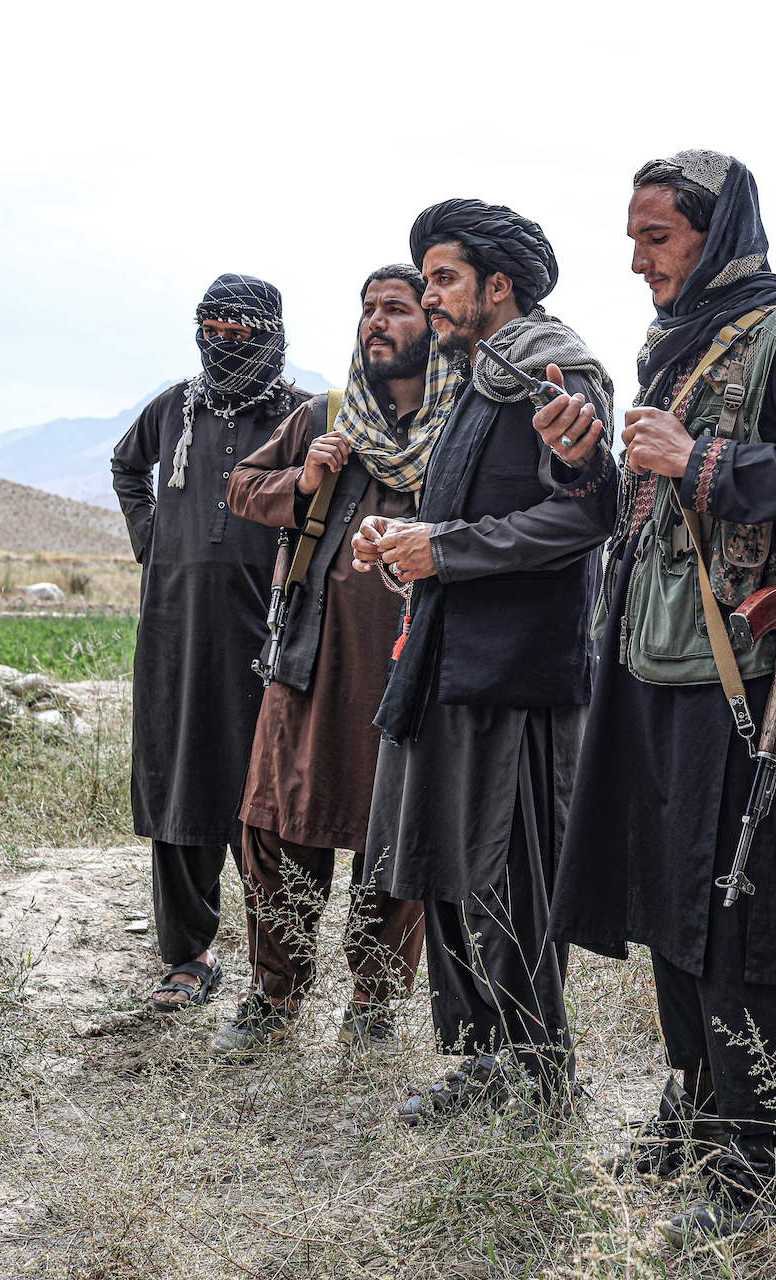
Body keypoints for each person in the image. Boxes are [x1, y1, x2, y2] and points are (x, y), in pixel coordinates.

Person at [544, 149, 776, 1249]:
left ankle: (759, 1156)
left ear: (715, 232)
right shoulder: (671, 345)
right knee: (662, 897)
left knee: (736, 909)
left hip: (733, 674)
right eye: (633, 239)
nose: (637, 261)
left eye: (658, 238)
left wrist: (707, 459)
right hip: (643, 658)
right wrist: (585, 462)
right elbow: (642, 504)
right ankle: (693, 1105)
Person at [355, 199, 614, 1128]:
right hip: (448, 654)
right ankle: (478, 1059)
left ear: (498, 285)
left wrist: (447, 549)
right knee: (444, 863)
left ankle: (540, 1073)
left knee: (509, 872)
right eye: (425, 282)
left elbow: (587, 515)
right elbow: (460, 511)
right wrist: (402, 540)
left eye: (444, 281)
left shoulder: (558, 367)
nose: (428, 299)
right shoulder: (474, 375)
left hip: (519, 666)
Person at [208, 264, 459, 1058]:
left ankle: (374, 1010)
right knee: (278, 823)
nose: (376, 322)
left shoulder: (461, 425)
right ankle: (273, 1000)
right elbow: (242, 488)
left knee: (395, 841)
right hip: (311, 662)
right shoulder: (328, 416)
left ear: (433, 323)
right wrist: (306, 475)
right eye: (367, 310)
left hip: (411, 671)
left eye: (396, 309)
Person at [111, 274, 310, 1015]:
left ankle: (274, 971)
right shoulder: (174, 408)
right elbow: (127, 469)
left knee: (266, 797)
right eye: (213, 329)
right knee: (178, 781)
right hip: (174, 626)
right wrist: (152, 536)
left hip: (268, 628)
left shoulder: (299, 414)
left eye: (242, 333)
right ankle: (188, 957)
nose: (224, 344)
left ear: (272, 335)